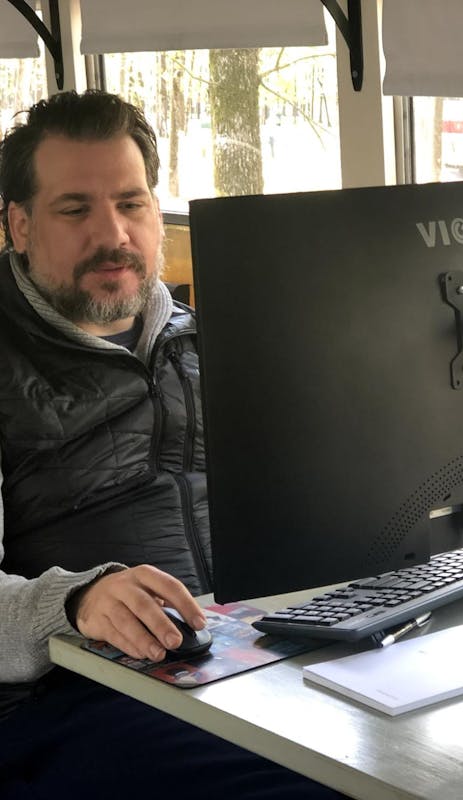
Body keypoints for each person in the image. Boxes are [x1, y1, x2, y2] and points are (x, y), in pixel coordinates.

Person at [0, 90, 346, 799]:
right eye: (75, 210)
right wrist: (75, 601)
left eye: (131, 203)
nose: (114, 234)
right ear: (20, 225)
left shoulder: (214, 341)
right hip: (74, 696)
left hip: (257, 652)